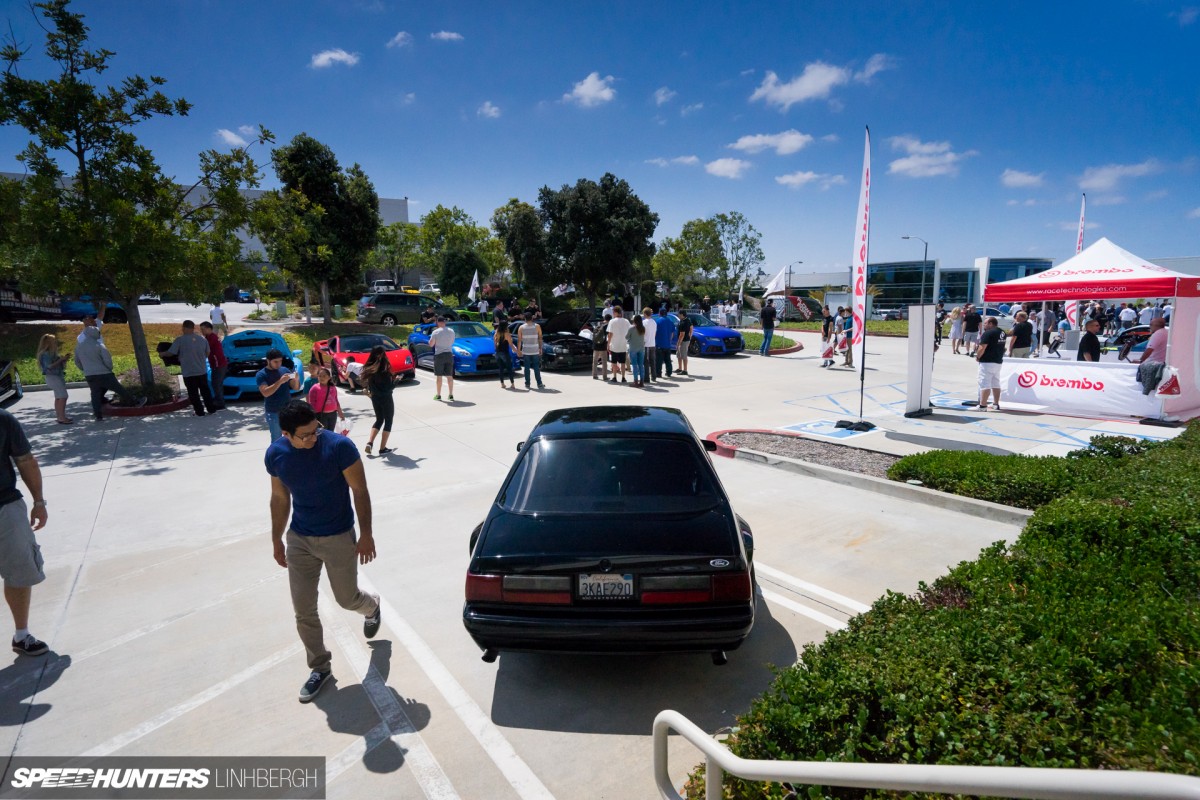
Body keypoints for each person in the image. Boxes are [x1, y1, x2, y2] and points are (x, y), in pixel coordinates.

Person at [266, 400, 379, 703]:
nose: (314, 436)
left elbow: (360, 490)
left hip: (339, 536)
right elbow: (279, 497)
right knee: (303, 610)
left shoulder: (340, 447)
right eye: (305, 435)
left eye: (315, 429)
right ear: (286, 434)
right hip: (300, 539)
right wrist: (277, 538)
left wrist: (366, 534)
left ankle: (371, 607)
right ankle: (320, 667)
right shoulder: (276, 454)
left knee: (346, 599)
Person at [0, 409, 50, 657]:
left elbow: (25, 460)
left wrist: (39, 502)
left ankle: (22, 635)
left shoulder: (3, 419)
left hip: (5, 505)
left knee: (20, 571)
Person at [74, 326, 144, 421]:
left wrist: (85, 369)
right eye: (98, 332)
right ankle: (136, 401)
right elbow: (107, 360)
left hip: (89, 374)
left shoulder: (79, 347)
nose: (99, 334)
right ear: (94, 333)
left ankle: (98, 415)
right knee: (119, 389)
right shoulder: (99, 345)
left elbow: (77, 362)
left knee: (95, 393)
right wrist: (109, 369)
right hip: (104, 373)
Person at [167, 320, 218, 417]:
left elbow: (171, 353)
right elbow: (207, 353)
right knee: (205, 391)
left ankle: (200, 412)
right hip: (201, 370)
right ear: (193, 328)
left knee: (193, 393)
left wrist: (163, 354)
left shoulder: (180, 340)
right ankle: (211, 409)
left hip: (188, 372)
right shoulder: (202, 339)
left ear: (184, 328)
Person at [256, 348, 300, 441]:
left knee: (292, 438)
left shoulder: (285, 370)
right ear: (268, 361)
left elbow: (296, 388)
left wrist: (296, 379)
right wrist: (280, 381)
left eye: (280, 361)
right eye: (275, 362)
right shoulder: (261, 374)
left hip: (288, 410)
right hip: (273, 412)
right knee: (277, 439)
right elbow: (265, 393)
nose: (278, 364)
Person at [360, 345, 395, 455]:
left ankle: (370, 443)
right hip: (386, 398)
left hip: (375, 398)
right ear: (381, 354)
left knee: (379, 419)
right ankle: (382, 448)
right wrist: (397, 380)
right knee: (388, 421)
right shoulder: (383, 369)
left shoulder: (370, 369)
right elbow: (389, 388)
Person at [36, 334, 73, 424]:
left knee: (58, 397)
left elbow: (58, 365)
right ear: (49, 343)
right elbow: (49, 366)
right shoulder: (45, 354)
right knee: (63, 396)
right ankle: (61, 417)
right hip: (53, 377)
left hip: (55, 376)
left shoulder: (51, 354)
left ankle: (60, 416)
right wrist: (60, 360)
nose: (56, 343)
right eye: (54, 341)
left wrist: (63, 360)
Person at [975, 317, 1005, 411]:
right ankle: (996, 404)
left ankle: (983, 405)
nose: (984, 325)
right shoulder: (1002, 332)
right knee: (996, 383)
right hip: (998, 361)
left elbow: (982, 347)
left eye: (985, 323)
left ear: (991, 324)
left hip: (987, 361)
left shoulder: (988, 333)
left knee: (985, 383)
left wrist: (978, 356)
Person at [200, 321, 228, 410]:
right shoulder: (208, 337)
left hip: (218, 364)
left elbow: (205, 348)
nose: (202, 331)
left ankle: (220, 403)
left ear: (209, 329)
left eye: (203, 329)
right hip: (216, 364)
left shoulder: (211, 338)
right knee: (215, 383)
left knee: (216, 384)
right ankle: (218, 401)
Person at [308, 367, 345, 432]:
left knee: (331, 432)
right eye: (320, 376)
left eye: (324, 376)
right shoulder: (314, 388)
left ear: (329, 377)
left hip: (333, 414)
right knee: (323, 433)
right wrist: (312, 417)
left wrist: (340, 413)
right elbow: (311, 404)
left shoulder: (332, 387)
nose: (321, 378)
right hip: (321, 415)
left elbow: (336, 400)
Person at [430, 316, 457, 401]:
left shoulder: (435, 332)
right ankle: (451, 394)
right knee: (449, 376)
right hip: (449, 354)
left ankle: (438, 395)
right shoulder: (451, 331)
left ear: (438, 322)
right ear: (444, 322)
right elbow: (452, 342)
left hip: (439, 355)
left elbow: (431, 344)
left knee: (439, 376)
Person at [517, 311, 545, 390]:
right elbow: (540, 338)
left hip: (526, 350)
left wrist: (519, 350)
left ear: (525, 319)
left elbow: (519, 340)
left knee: (527, 368)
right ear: (532, 318)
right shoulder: (537, 326)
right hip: (535, 350)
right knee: (536, 367)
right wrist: (540, 348)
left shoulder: (521, 327)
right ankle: (539, 383)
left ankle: (527, 384)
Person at [606, 306, 632, 383]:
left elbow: (610, 334)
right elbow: (629, 332)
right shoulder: (626, 321)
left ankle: (614, 377)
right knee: (623, 362)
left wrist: (608, 344)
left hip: (614, 345)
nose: (613, 314)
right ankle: (623, 377)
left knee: (614, 362)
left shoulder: (612, 321)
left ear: (616, 312)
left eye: (614, 312)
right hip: (623, 345)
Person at [653, 308, 676, 380]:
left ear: (660, 313)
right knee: (668, 360)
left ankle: (658, 373)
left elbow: (655, 333)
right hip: (667, 344)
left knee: (659, 360)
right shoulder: (670, 321)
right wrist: (669, 340)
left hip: (659, 343)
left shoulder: (658, 321)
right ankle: (669, 372)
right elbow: (672, 333)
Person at [627, 314, 647, 388]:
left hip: (633, 349)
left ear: (634, 321)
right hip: (641, 348)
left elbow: (626, 337)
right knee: (641, 365)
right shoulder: (643, 328)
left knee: (635, 366)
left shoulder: (631, 328)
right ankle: (641, 381)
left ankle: (635, 381)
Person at [494, 323, 516, 389]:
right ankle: (512, 384)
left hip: (498, 353)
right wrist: (517, 351)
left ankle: (502, 384)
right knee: (509, 368)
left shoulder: (496, 333)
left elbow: (495, 344)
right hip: (505, 353)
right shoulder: (506, 334)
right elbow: (511, 345)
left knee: (501, 369)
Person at [641, 307, 658, 384]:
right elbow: (654, 334)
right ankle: (654, 376)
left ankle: (646, 378)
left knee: (646, 362)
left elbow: (642, 333)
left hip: (646, 344)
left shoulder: (644, 322)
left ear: (645, 314)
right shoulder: (654, 322)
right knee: (652, 361)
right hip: (652, 343)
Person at [674, 310, 692, 375]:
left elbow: (682, 334)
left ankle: (685, 370)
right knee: (679, 355)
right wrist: (690, 337)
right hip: (686, 340)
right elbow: (691, 328)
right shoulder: (687, 320)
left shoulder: (683, 323)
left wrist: (678, 343)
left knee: (684, 356)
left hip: (683, 341)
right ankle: (680, 368)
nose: (678, 315)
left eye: (678, 314)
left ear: (682, 314)